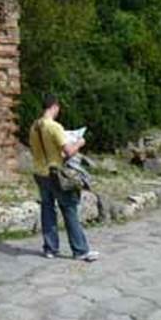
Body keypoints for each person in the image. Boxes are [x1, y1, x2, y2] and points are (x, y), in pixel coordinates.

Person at [29, 94, 99, 261]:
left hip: (39, 173)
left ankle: (50, 248)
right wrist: (80, 142)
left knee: (47, 209)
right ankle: (80, 250)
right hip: (56, 173)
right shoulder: (54, 127)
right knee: (69, 209)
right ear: (55, 107)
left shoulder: (34, 127)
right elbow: (68, 151)